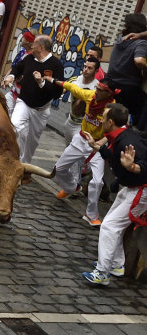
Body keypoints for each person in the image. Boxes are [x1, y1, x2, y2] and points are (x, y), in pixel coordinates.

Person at [79, 103, 147, 284]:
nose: (100, 119)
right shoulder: (120, 136)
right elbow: (113, 155)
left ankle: (102, 273)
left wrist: (132, 167)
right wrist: (97, 147)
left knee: (109, 226)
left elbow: (144, 167)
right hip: (131, 187)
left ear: (110, 122)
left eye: (103, 116)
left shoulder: (127, 142)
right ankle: (116, 265)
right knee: (113, 224)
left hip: (141, 190)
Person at [50, 71, 116, 225]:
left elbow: (120, 128)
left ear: (108, 94)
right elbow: (73, 88)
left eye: (101, 90)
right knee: (58, 168)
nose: (97, 91)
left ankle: (91, 215)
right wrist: (53, 80)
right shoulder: (90, 96)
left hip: (97, 146)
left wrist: (101, 143)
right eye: (97, 88)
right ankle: (71, 187)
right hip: (81, 139)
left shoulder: (112, 109)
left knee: (97, 182)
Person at [0, 34, 64, 163]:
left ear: (40, 47)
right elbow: (18, 68)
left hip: (41, 110)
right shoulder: (29, 58)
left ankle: (25, 165)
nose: (31, 45)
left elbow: (57, 93)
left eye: (34, 44)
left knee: (32, 141)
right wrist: (11, 77)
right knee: (14, 126)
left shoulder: (56, 65)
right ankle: (6, 158)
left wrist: (41, 82)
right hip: (23, 102)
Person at [107, 13, 147, 129]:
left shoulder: (121, 40)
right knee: (135, 118)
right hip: (129, 88)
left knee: (114, 116)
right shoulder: (141, 43)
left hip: (112, 84)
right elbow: (139, 61)